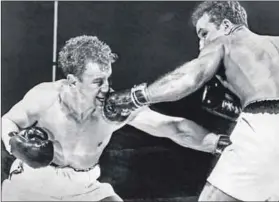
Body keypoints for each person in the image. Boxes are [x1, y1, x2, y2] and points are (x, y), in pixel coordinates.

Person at [1, 35, 225, 201]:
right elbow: (8, 121)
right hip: (34, 182)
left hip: (84, 186)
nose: (106, 88)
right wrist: (15, 144)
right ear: (72, 81)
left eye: (107, 78)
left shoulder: (113, 109)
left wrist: (219, 144)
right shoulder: (45, 98)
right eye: (97, 81)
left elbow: (174, 128)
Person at [104, 1, 279, 201]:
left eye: (204, 33)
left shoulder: (225, 41)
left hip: (263, 129)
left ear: (226, 26)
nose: (201, 44)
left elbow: (188, 79)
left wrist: (135, 97)